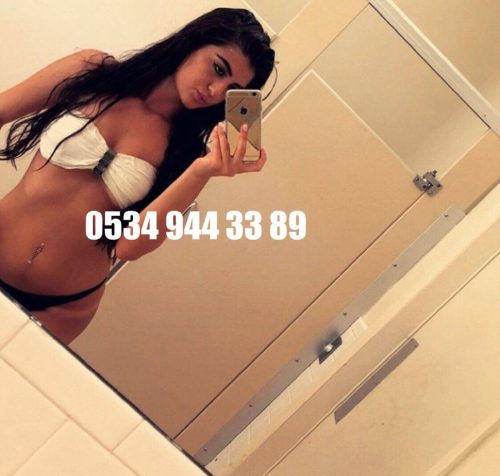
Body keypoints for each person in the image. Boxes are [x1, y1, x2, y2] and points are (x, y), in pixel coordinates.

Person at [0, 8, 275, 344]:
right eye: (218, 69)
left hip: (60, 308)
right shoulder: (90, 71)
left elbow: (130, 247)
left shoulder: (187, 155)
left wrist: (202, 171)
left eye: (231, 89)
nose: (215, 91)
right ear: (194, 42)